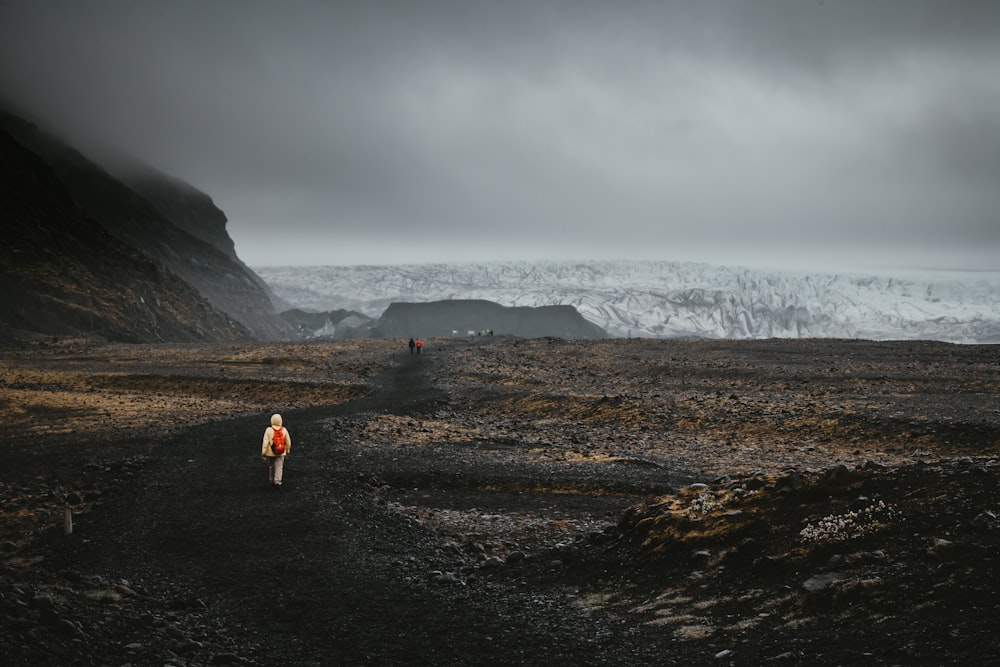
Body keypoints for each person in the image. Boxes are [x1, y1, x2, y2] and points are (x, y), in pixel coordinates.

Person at [261, 413, 291, 490]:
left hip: (271, 453)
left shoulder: (268, 430)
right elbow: (288, 442)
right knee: (279, 466)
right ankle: (278, 481)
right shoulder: (284, 430)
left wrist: (263, 453)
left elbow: (265, 442)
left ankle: (272, 480)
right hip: (281, 452)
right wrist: (287, 450)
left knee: (271, 466)